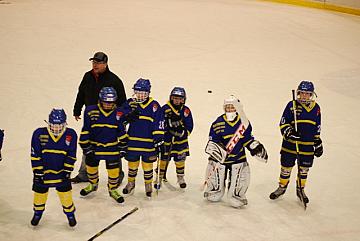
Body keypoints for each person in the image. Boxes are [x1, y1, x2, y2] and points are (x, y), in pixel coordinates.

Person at [72, 51, 127, 184]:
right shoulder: (87, 76)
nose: (95, 65)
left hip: (110, 118)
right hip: (92, 117)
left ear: (105, 64)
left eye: (98, 62)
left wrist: (121, 118)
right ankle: (84, 173)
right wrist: (77, 109)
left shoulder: (114, 80)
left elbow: (123, 102)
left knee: (113, 146)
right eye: (94, 62)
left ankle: (117, 174)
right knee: (89, 144)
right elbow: (81, 93)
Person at [203, 95, 268, 208]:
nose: (229, 110)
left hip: (238, 157)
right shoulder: (218, 122)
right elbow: (212, 140)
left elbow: (247, 139)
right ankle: (215, 191)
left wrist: (254, 147)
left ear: (237, 108)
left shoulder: (244, 123)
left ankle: (236, 195)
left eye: (232, 107)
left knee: (240, 175)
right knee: (215, 169)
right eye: (227, 107)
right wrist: (217, 151)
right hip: (221, 159)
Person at [269, 80, 322, 204]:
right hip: (290, 144)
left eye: (307, 93)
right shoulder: (291, 105)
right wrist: (289, 132)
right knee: (286, 167)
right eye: (302, 93)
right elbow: (283, 122)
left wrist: (317, 142)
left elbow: (317, 126)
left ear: (311, 95)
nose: (304, 96)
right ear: (298, 93)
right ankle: (282, 187)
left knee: (304, 169)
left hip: (307, 146)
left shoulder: (316, 108)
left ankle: (300, 189)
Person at [79, 87, 127, 203]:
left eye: (111, 102)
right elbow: (86, 129)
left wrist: (124, 145)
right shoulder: (90, 111)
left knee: (114, 171)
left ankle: (113, 189)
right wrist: (85, 146)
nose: (108, 105)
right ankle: (93, 184)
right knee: (91, 168)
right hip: (94, 147)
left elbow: (121, 130)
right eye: (106, 102)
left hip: (112, 147)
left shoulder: (119, 112)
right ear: (100, 100)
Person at [30, 109, 77, 227]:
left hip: (61, 173)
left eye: (59, 125)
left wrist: (67, 171)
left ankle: (70, 214)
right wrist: (38, 172)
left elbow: (71, 154)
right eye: (53, 125)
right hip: (43, 174)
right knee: (39, 195)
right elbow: (35, 154)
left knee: (66, 196)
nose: (56, 129)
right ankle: (37, 213)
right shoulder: (39, 134)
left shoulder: (71, 135)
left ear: (65, 123)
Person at [122, 78, 165, 198]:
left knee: (147, 166)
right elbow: (119, 116)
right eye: (138, 92)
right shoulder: (130, 103)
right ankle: (131, 183)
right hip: (133, 142)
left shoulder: (154, 105)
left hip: (148, 143)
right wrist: (127, 115)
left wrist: (158, 137)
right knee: (132, 165)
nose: (140, 95)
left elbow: (159, 121)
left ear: (148, 93)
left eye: (143, 93)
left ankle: (148, 185)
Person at [154, 87, 193, 189]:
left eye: (180, 98)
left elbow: (190, 125)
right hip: (167, 140)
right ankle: (159, 177)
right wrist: (167, 128)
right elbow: (160, 123)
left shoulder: (186, 111)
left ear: (184, 99)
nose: (177, 100)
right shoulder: (164, 109)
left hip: (180, 141)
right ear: (171, 98)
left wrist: (182, 132)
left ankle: (180, 178)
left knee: (180, 160)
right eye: (175, 98)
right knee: (163, 159)